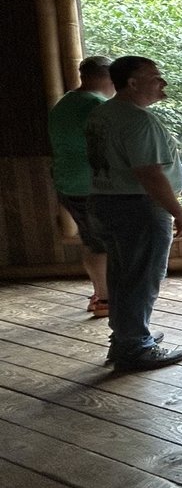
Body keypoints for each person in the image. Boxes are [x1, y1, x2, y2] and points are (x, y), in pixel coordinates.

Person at [85, 56, 182, 371]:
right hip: (138, 208)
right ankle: (134, 347)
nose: (163, 83)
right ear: (132, 83)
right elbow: (149, 174)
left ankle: (127, 336)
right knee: (142, 278)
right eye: (155, 77)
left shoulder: (102, 114)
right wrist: (180, 214)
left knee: (121, 276)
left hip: (105, 202)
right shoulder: (138, 121)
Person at [47, 55, 114, 317]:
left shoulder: (64, 103)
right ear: (108, 77)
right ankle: (106, 301)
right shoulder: (97, 105)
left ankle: (100, 293)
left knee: (90, 241)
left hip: (67, 182)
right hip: (92, 185)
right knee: (103, 245)